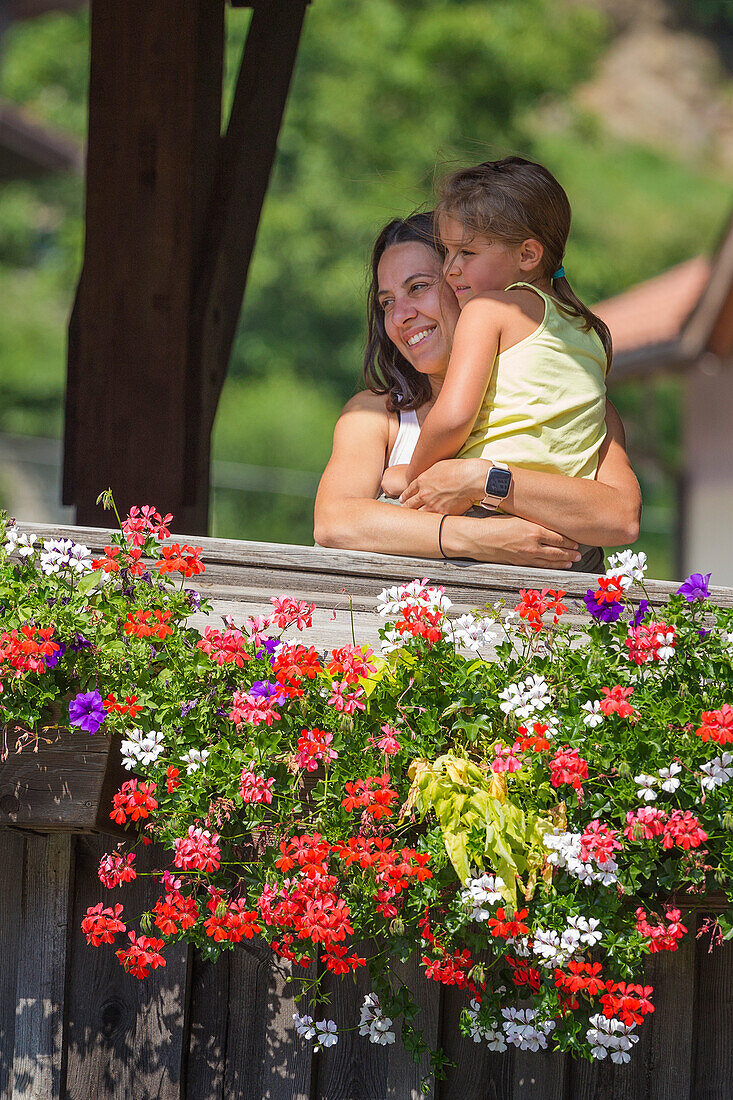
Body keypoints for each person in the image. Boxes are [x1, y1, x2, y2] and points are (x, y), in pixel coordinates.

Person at [314, 213, 640, 568]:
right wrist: (477, 538)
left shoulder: (576, 403)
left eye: (418, 287)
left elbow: (621, 518)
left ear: (464, 283)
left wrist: (483, 479)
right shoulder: (375, 415)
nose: (399, 317)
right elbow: (334, 521)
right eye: (387, 302)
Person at [382, 158, 611, 527]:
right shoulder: (589, 331)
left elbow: (453, 418)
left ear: (527, 255)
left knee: (372, 522)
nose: (449, 268)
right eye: (447, 252)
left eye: (466, 253)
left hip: (483, 511)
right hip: (559, 522)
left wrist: (413, 475)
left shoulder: (487, 309)